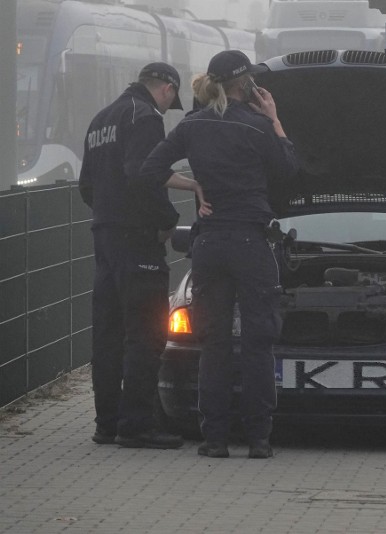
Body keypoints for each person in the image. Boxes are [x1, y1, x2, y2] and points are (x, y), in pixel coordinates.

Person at [138, 50, 299, 459]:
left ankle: (214, 440)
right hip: (250, 242)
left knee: (214, 343)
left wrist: (193, 187)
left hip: (208, 244)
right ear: (246, 85)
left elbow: (150, 168)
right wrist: (276, 118)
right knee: (259, 342)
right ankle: (260, 440)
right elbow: (288, 169)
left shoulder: (192, 125)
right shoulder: (258, 126)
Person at [78, 63, 203, 449]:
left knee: (109, 334)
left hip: (105, 237)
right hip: (138, 240)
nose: (168, 108)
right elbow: (143, 171)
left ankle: (107, 423)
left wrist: (108, 215)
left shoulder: (101, 118)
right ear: (166, 88)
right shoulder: (145, 116)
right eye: (171, 100)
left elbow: (86, 186)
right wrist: (166, 219)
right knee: (146, 333)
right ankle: (137, 425)